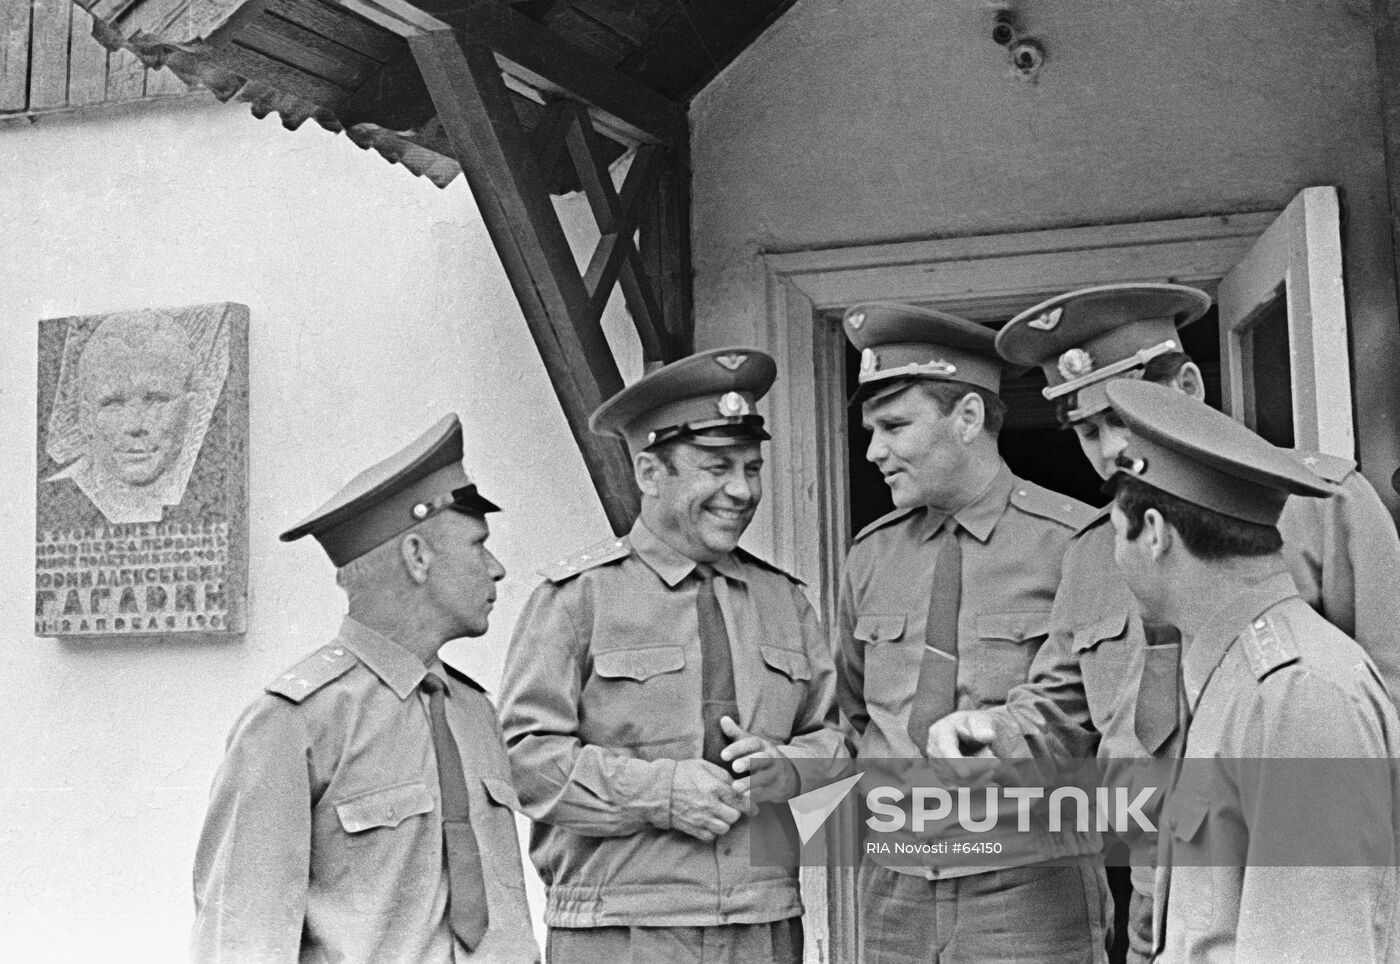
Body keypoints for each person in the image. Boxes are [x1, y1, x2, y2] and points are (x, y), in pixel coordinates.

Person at [929, 283, 1400, 961]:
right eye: (1087, 431)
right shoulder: (1098, 549)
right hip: (1161, 887)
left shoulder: (1312, 505)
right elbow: (1061, 710)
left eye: (1121, 419)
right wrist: (995, 729)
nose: (1104, 452)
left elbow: (1379, 702)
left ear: (1187, 384)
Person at [498, 348, 843, 964]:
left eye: (752, 468)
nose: (741, 490)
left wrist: (787, 768)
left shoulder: (785, 601)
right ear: (650, 473)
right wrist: (659, 791)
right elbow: (524, 762)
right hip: (621, 929)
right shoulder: (578, 599)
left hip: (764, 925)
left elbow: (837, 748)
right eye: (716, 466)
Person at [191, 414, 539, 963]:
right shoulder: (295, 721)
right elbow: (242, 938)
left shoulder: (473, 713)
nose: (496, 569)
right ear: (417, 557)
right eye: (477, 545)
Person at [834, 302, 1105, 964]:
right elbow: (851, 712)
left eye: (895, 426)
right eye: (871, 430)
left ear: (969, 418)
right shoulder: (869, 557)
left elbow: (1097, 715)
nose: (874, 452)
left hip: (1029, 883)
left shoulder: (1076, 543)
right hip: (894, 886)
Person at [1101, 379, 1400, 963]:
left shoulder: (1297, 695)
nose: (1115, 558)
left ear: (1156, 534)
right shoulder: (1237, 674)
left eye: (1118, 534)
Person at [46, 313, 209, 524]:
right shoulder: (59, 495)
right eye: (113, 404)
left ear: (191, 411)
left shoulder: (204, 491)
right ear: (86, 418)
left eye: (156, 400)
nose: (134, 425)